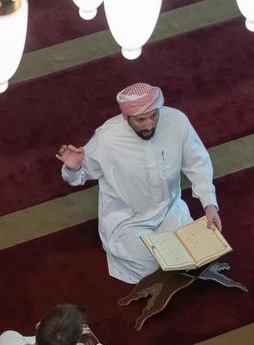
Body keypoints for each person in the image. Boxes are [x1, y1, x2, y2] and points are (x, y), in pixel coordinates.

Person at [55, 82, 222, 283]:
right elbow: (79, 178)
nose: (149, 125)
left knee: (191, 255)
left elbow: (198, 163)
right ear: (126, 117)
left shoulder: (177, 121)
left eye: (153, 116)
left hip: (169, 209)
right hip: (127, 220)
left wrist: (209, 204)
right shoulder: (107, 138)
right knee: (152, 267)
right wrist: (74, 168)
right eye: (141, 120)